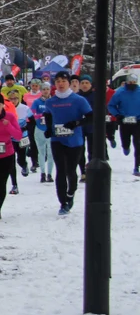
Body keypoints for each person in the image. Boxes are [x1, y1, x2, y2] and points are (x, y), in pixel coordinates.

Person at [46, 70, 92, 215]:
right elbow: (48, 116)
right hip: (57, 140)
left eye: (63, 81)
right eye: (58, 81)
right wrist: (48, 129)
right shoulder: (50, 101)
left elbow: (91, 117)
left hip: (75, 141)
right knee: (60, 170)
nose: (60, 84)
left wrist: (76, 123)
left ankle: (71, 193)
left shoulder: (79, 100)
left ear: (70, 83)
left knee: (70, 171)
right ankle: (63, 202)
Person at [108, 73, 140, 176]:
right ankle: (126, 147)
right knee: (125, 143)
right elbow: (111, 105)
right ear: (126, 82)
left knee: (138, 145)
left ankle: (136, 167)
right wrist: (117, 115)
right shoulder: (120, 92)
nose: (132, 84)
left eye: (134, 83)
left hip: (138, 122)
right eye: (130, 82)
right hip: (124, 122)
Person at [30, 82, 55, 182]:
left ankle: (49, 174)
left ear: (50, 90)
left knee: (51, 153)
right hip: (40, 129)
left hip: (51, 129)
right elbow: (31, 112)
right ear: (41, 91)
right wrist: (39, 116)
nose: (45, 91)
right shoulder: (37, 101)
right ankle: (43, 173)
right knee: (41, 152)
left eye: (47, 89)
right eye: (44, 89)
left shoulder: (53, 101)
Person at [8, 91, 33, 185]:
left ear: (19, 99)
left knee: (20, 159)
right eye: (11, 99)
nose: (13, 101)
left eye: (15, 98)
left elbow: (32, 122)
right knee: (11, 161)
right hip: (10, 138)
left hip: (22, 137)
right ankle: (14, 184)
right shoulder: (6, 109)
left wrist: (25, 128)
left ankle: (24, 165)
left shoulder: (25, 108)